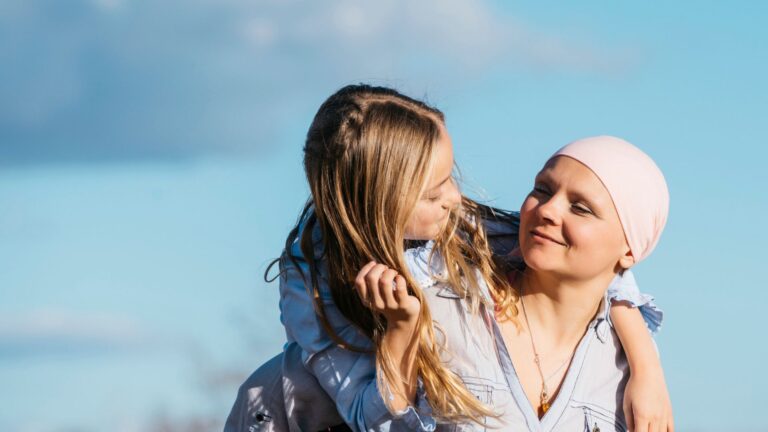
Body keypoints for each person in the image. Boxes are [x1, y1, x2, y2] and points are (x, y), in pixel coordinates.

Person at [224, 85, 671, 431]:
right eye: (434, 192)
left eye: (450, 179)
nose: (456, 200)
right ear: (379, 203)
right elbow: (365, 416)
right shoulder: (318, 288)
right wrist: (401, 331)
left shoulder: (468, 238)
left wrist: (647, 369)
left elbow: (608, 270)